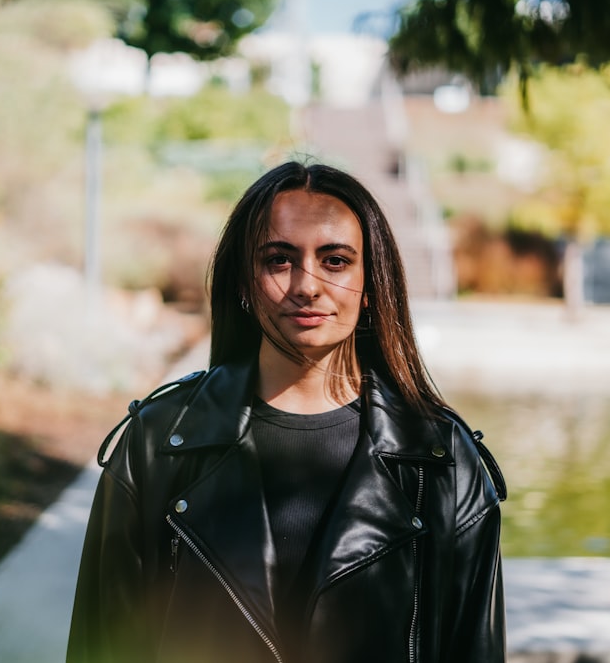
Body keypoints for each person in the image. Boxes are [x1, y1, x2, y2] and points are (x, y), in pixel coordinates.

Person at [67, 161, 507, 663]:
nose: (307, 285)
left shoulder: (441, 460)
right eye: (279, 259)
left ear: (372, 285)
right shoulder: (161, 442)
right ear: (243, 282)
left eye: (336, 261)